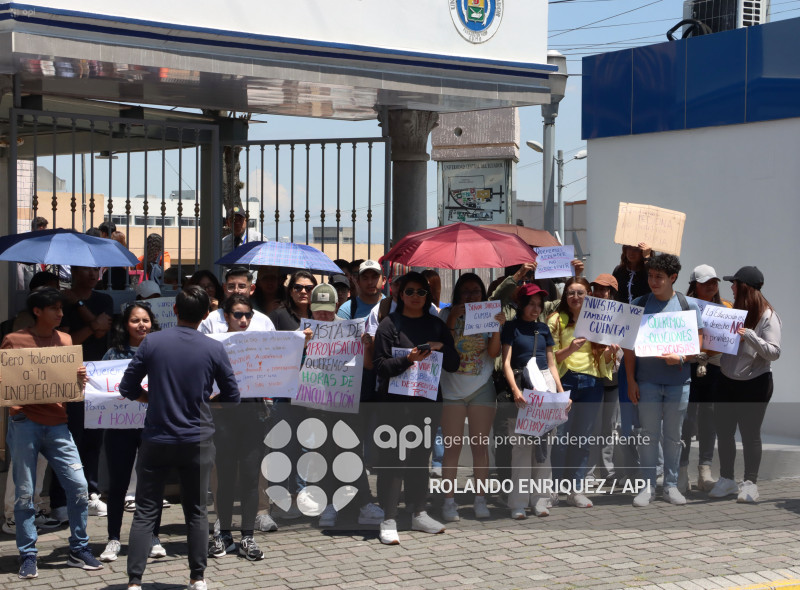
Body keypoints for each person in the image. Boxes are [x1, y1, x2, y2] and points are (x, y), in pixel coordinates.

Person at [120, 286, 240, 590]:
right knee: (197, 510)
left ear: (174, 311)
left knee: (146, 510)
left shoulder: (152, 343)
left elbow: (126, 388)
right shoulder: (214, 348)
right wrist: (208, 402)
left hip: (157, 438)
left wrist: (150, 399)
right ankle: (197, 577)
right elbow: (233, 396)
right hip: (197, 440)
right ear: (205, 315)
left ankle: (134, 581)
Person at [3, 287, 102, 579]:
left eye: (61, 309)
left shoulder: (66, 340)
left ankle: (78, 547)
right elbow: (6, 381)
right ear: (37, 311)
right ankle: (28, 554)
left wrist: (79, 378)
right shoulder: (14, 340)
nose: (60, 314)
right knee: (24, 492)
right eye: (55, 309)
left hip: (57, 424)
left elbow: (73, 390)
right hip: (24, 423)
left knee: (79, 486)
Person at [373, 272, 459, 545]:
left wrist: (441, 346)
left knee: (420, 460)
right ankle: (388, 518)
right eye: (409, 291)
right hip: (394, 406)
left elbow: (454, 364)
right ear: (400, 295)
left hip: (426, 405)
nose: (415, 297)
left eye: (421, 292)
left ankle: (418, 512)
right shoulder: (389, 324)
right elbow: (381, 365)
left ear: (427, 296)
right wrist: (408, 360)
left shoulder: (436, 325)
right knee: (392, 461)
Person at [299, 284, 384, 528]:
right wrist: (302, 344)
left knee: (351, 452)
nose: (323, 316)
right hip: (316, 404)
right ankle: (328, 505)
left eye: (327, 310)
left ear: (336, 307)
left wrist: (366, 345)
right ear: (310, 309)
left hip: (345, 403)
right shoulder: (303, 330)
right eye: (318, 310)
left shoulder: (350, 329)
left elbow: (368, 366)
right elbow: (290, 365)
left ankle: (363, 503)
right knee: (323, 454)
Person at [623, 254, 703, 507]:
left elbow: (698, 344)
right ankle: (647, 486)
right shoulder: (638, 303)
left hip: (679, 383)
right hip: (646, 382)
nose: (653, 281)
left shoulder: (688, 305)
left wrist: (680, 357)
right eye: (650, 275)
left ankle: (669, 486)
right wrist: (631, 382)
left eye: (659, 277)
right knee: (648, 435)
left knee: (673, 435)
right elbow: (628, 348)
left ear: (673, 278)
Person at [99, 302, 166, 563]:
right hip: (119, 428)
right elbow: (100, 387)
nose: (141, 325)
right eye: (135, 320)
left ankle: (153, 536)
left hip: (153, 426)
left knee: (152, 485)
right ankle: (113, 539)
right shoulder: (112, 355)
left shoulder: (162, 351)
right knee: (118, 484)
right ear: (125, 324)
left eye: (146, 320)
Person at [709, 267, 780, 503]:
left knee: (750, 435)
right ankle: (727, 480)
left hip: (755, 384)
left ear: (745, 287)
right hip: (726, 380)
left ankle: (750, 484)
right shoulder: (732, 311)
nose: (731, 287)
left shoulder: (768, 315)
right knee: (725, 433)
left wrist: (749, 335)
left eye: (735, 284)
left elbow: (774, 352)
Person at [438, 273, 504, 522]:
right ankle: (448, 502)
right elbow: (442, 348)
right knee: (451, 448)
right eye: (465, 291)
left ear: (483, 294)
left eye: (475, 291)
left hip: (481, 388)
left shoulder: (490, 315)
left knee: (480, 446)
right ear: (456, 294)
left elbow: (494, 352)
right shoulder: (445, 315)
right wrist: (453, 317)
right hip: (452, 390)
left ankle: (480, 499)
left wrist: (497, 328)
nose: (470, 296)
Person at [547, 277, 616, 508]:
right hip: (564, 382)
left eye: (580, 293)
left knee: (583, 440)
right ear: (564, 296)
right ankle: (555, 488)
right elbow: (550, 359)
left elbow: (605, 360)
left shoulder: (598, 320)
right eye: (570, 293)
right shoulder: (556, 320)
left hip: (592, 383)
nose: (575, 297)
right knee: (561, 439)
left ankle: (575, 490)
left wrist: (611, 351)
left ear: (589, 295)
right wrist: (570, 348)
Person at [208, 294, 267, 561]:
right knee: (227, 477)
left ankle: (248, 536)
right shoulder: (215, 344)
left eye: (247, 315)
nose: (243, 320)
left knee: (251, 477)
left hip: (252, 414)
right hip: (223, 416)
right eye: (237, 315)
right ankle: (224, 535)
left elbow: (279, 366)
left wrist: (303, 341)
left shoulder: (259, 343)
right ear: (226, 316)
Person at [501, 284, 564, 518]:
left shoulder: (543, 329)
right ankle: (517, 502)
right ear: (521, 304)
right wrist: (516, 390)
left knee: (543, 448)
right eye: (531, 304)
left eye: (539, 305)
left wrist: (559, 390)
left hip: (544, 385)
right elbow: (506, 362)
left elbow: (551, 363)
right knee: (521, 449)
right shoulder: (511, 327)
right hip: (523, 385)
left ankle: (540, 500)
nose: (535, 309)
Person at [59, 266, 114, 518]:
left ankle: (91, 493)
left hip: (99, 376)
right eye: (86, 271)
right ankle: (63, 498)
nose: (93, 275)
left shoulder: (104, 299)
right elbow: (68, 341)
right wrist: (93, 324)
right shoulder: (62, 302)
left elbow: (103, 330)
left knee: (94, 439)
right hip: (69, 375)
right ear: (75, 272)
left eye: (96, 271)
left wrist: (81, 305)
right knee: (71, 439)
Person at [678, 264, 731, 494]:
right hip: (689, 366)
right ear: (694, 286)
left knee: (710, 419)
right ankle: (681, 472)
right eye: (705, 282)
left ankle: (704, 472)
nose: (711, 285)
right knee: (686, 421)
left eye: (714, 281)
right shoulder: (682, 307)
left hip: (716, 368)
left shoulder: (727, 307)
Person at [586, 274, 621, 481]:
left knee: (609, 427)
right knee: (592, 427)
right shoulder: (585, 312)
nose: (599, 293)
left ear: (612, 293)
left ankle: (608, 470)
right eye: (597, 288)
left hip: (614, 379)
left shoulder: (622, 315)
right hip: (592, 377)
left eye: (604, 289)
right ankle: (588, 473)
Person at [198, 267, 275, 334]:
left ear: (251, 289)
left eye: (241, 286)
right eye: (231, 286)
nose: (236, 291)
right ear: (224, 288)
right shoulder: (209, 320)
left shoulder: (264, 322)